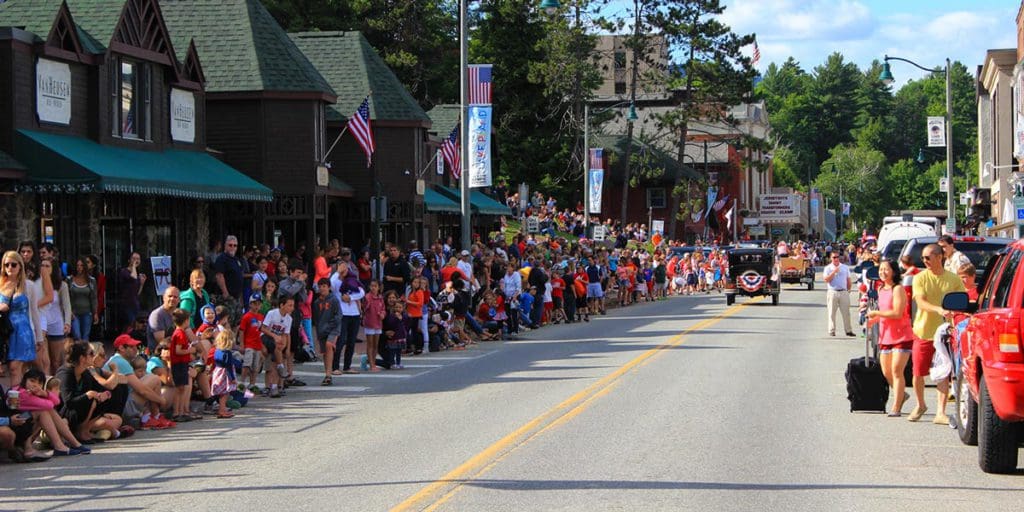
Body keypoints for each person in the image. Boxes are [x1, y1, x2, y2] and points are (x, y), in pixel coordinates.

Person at [909, 243, 965, 424]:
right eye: (923, 258)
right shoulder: (920, 278)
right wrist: (939, 310)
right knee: (918, 372)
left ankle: (940, 412)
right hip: (923, 331)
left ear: (939, 257)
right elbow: (921, 302)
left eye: (928, 257)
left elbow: (961, 302)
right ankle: (920, 404)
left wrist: (957, 313)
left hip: (945, 334)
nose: (924, 261)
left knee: (943, 372)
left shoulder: (953, 279)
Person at [865, 260, 914, 417]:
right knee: (886, 372)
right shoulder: (880, 288)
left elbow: (897, 313)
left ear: (894, 271)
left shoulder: (898, 289)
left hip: (902, 335)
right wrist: (874, 320)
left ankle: (896, 406)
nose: (883, 272)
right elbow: (884, 312)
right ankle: (902, 395)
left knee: (897, 370)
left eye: (886, 269)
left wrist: (876, 314)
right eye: (881, 269)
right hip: (885, 336)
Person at [55, 340, 125, 442]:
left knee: (102, 399)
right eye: (91, 354)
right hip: (63, 413)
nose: (94, 356)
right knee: (91, 399)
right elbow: (68, 402)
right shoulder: (65, 373)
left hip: (77, 412)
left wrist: (106, 394)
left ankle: (85, 430)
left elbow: (101, 388)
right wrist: (88, 395)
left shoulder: (85, 373)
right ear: (82, 358)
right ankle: (80, 432)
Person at [15, 369, 89, 456]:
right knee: (45, 410)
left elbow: (57, 401)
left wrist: (44, 394)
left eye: (39, 383)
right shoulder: (22, 393)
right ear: (24, 381)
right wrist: (45, 394)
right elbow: (50, 405)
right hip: (17, 425)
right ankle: (65, 445)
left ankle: (71, 445)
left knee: (46, 410)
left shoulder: (32, 393)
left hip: (26, 425)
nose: (35, 385)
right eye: (32, 381)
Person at [0, 251, 42, 388]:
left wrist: (39, 337)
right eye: (6, 265)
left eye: (13, 264)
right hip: (5, 332)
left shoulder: (29, 285)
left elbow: (35, 311)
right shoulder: (1, 285)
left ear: (20, 266)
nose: (10, 268)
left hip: (22, 331)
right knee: (13, 369)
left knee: (14, 367)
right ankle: (19, 399)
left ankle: (15, 402)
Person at [38, 259, 71, 376]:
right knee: (44, 360)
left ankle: (57, 385)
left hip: (56, 324)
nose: (45, 268)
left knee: (56, 361)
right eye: (42, 266)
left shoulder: (62, 285)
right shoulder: (37, 284)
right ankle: (46, 383)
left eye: (48, 266)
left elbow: (67, 305)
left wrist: (67, 323)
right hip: (41, 324)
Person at [260, 296, 294, 398]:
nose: (292, 308)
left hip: (277, 342)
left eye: (293, 306)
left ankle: (275, 386)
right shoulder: (272, 313)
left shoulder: (289, 319)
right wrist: (275, 336)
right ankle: (281, 367)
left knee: (275, 358)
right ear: (282, 305)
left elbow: (286, 334)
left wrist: (287, 348)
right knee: (275, 353)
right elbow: (263, 328)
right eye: (290, 305)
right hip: (266, 338)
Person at [312, 278, 341, 385]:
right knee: (325, 352)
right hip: (321, 330)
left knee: (329, 345)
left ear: (329, 287)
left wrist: (330, 326)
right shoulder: (316, 302)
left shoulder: (334, 300)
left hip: (333, 328)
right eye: (320, 286)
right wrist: (319, 329)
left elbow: (338, 316)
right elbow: (316, 318)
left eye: (324, 286)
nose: (322, 288)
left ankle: (329, 374)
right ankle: (327, 374)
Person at [210, 331, 241, 419]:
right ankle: (222, 410)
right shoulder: (227, 353)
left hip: (218, 371)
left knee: (221, 393)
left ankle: (222, 409)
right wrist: (232, 378)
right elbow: (229, 366)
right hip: (225, 374)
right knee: (225, 393)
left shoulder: (217, 350)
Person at [238, 294, 265, 392]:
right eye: (254, 304)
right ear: (250, 304)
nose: (257, 306)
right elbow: (241, 331)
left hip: (258, 345)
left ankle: (252, 384)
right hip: (249, 344)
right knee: (247, 364)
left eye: (258, 304)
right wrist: (242, 344)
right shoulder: (246, 316)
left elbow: (262, 330)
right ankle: (242, 382)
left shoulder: (261, 317)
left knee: (255, 366)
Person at [67, 258, 98, 343]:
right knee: (77, 335)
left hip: (87, 312)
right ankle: (78, 353)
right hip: (74, 312)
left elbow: (94, 297)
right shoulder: (69, 280)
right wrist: (69, 311)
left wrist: (95, 312)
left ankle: (85, 354)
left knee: (85, 335)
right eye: (77, 265)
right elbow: (67, 298)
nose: (79, 267)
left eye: (81, 265)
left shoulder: (91, 281)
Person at [823, 252, 854, 337]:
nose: (836, 259)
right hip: (832, 291)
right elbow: (826, 279)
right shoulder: (828, 268)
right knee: (831, 312)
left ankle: (848, 330)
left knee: (846, 312)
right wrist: (833, 272)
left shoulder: (845, 267)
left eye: (837, 257)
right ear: (831, 258)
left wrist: (848, 289)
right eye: (834, 257)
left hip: (843, 291)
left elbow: (848, 279)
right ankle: (832, 330)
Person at [117, 252, 147, 332]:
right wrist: (133, 265)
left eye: (138, 259)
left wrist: (141, 284)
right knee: (130, 324)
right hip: (126, 303)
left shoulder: (136, 274)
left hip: (135, 303)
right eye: (134, 258)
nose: (136, 261)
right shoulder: (124, 272)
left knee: (136, 325)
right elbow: (133, 277)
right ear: (129, 260)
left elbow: (137, 293)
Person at [147, 287, 181, 353]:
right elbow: (162, 341)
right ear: (164, 298)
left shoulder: (179, 314)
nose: (172, 299)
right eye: (170, 296)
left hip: (176, 348)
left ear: (179, 300)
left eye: (175, 297)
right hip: (160, 353)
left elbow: (188, 333)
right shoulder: (157, 315)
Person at [362, 280, 385, 372]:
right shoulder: (367, 297)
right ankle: (371, 364)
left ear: (378, 287)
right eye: (372, 286)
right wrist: (367, 305)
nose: (373, 288)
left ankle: (373, 362)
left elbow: (383, 308)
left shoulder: (380, 298)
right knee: (370, 344)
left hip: (378, 323)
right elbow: (364, 307)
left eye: (375, 286)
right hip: (369, 323)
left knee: (376, 345)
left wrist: (382, 314)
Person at [213, 235, 245, 302]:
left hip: (237, 296)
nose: (232, 247)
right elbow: (219, 276)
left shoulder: (236, 259)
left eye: (235, 245)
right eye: (230, 245)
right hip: (227, 296)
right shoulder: (221, 258)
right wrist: (225, 292)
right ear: (225, 246)